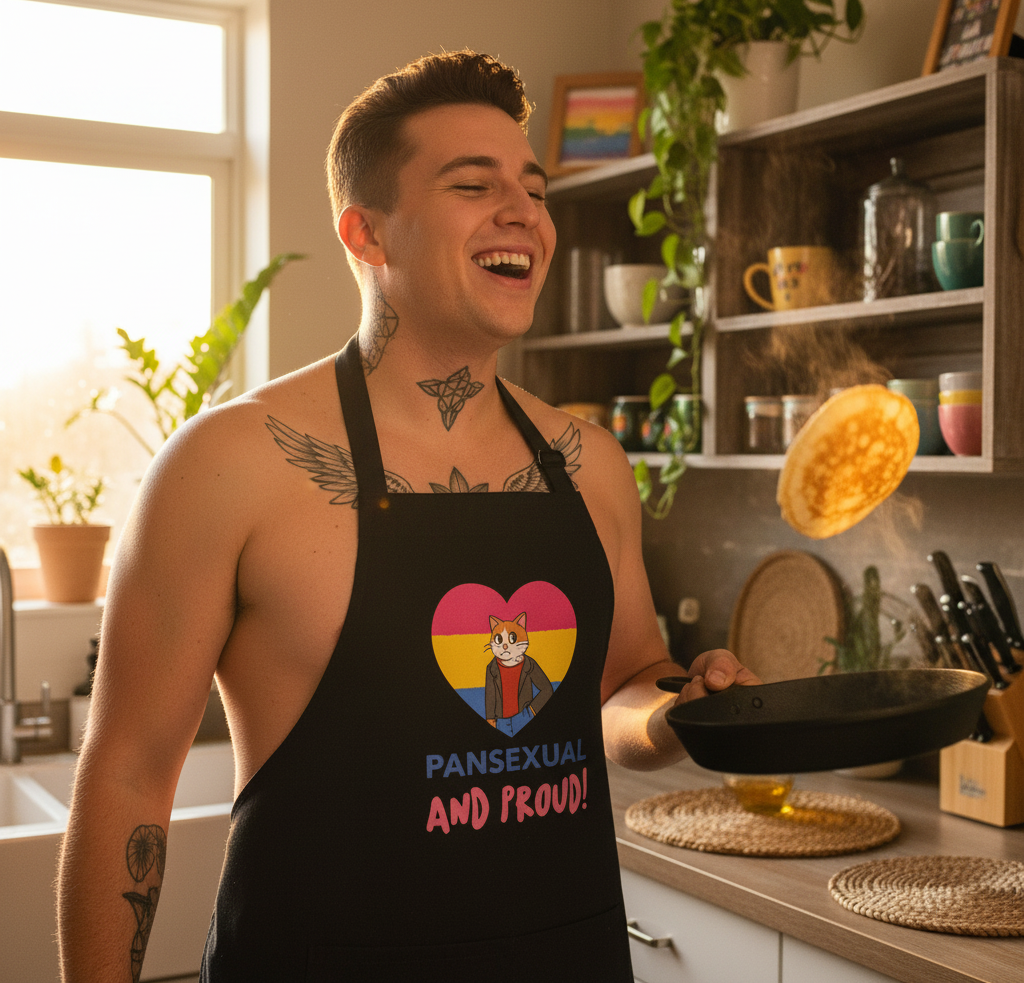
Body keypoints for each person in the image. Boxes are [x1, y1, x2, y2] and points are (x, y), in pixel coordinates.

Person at [57, 50, 756, 983]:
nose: (523, 213)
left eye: (533, 190)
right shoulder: (228, 464)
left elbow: (625, 681)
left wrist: (679, 710)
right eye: (473, 184)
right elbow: (129, 777)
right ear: (368, 232)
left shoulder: (590, 466)